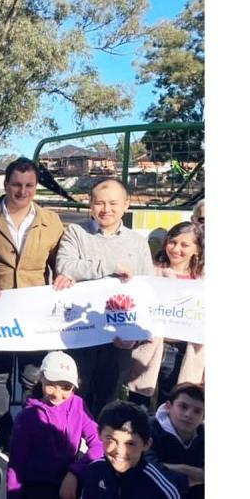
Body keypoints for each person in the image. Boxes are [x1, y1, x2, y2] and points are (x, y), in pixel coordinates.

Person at [0, 157, 66, 450]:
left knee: (31, 376)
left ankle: (29, 428)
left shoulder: (51, 221)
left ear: (36, 186)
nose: (22, 191)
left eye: (29, 185)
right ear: (5, 184)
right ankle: (1, 431)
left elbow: (59, 262)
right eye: (16, 184)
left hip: (33, 311)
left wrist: (64, 278)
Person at [55, 178, 154, 418]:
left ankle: (100, 448)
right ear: (90, 205)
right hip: (79, 333)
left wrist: (134, 337)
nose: (106, 209)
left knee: (108, 401)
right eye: (99, 203)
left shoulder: (138, 242)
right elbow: (65, 266)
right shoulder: (75, 232)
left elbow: (145, 289)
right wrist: (111, 266)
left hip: (118, 338)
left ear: (126, 204)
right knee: (75, 396)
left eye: (113, 203)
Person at [125, 221, 205, 409]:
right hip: (152, 345)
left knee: (173, 402)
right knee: (139, 402)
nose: (176, 249)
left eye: (185, 245)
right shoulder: (150, 271)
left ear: (197, 250)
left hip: (184, 351)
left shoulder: (204, 280)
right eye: (172, 242)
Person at [6, 351, 103, 499]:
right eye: (51, 384)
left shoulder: (78, 405)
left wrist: (75, 472)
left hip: (68, 487)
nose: (58, 394)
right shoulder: (27, 417)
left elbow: (100, 443)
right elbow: (16, 467)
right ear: (41, 379)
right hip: (35, 489)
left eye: (66, 387)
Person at [80, 400, 181, 498]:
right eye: (111, 439)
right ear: (99, 434)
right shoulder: (94, 471)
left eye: (130, 443)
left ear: (146, 444)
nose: (119, 451)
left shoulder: (161, 490)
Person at [146, 383, 204, 499]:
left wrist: (166, 467)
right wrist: (189, 471)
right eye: (183, 406)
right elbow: (145, 467)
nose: (189, 415)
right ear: (168, 406)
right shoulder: (149, 428)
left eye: (197, 411)